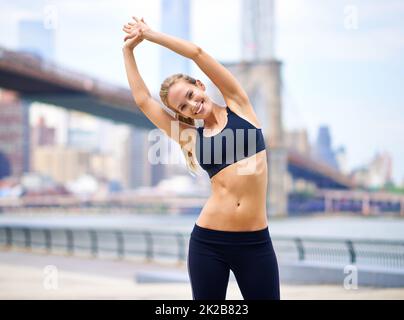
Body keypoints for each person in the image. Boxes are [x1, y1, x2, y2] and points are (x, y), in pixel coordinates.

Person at [122, 16, 280, 300]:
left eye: (192, 95)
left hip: (255, 242)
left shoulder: (239, 106)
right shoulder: (190, 137)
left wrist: (150, 35)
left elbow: (197, 53)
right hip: (209, 243)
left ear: (200, 85)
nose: (193, 104)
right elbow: (144, 101)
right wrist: (128, 51)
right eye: (183, 106)